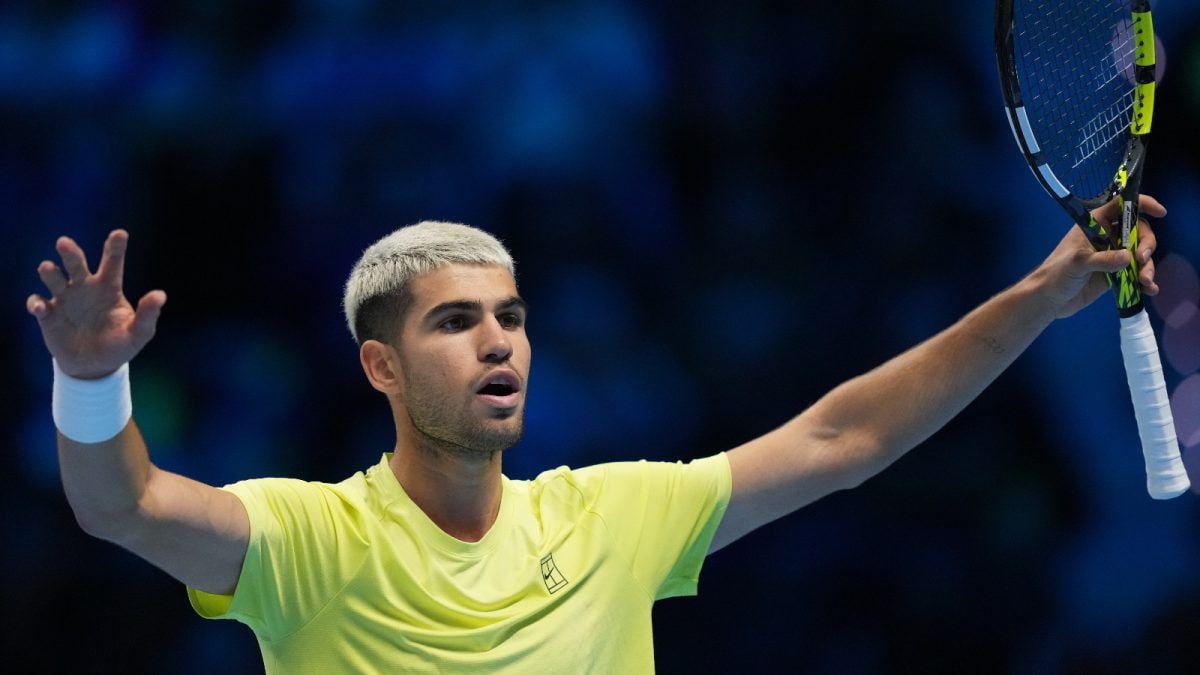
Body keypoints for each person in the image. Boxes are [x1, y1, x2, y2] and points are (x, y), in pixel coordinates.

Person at [26, 197, 1167, 673]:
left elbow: (841, 439)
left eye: (512, 319)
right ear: (379, 366)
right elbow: (120, 504)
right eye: (456, 323)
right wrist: (88, 382)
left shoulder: (612, 517)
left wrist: (1035, 298)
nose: (498, 345)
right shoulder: (309, 539)